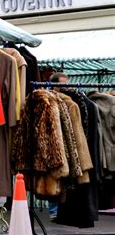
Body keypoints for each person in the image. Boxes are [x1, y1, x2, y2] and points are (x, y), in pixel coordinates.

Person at [48, 72, 69, 222]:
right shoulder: (47, 99)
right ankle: (54, 211)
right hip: (52, 143)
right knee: (54, 176)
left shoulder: (68, 100)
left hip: (65, 143)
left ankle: (61, 210)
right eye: (62, 84)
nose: (65, 87)